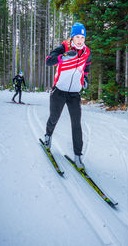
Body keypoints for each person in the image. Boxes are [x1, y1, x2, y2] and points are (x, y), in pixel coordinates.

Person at [44, 22, 92, 170]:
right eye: (77, 36)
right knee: (54, 117)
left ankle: (78, 155)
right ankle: (48, 136)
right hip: (59, 91)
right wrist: (63, 57)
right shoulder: (63, 48)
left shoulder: (86, 52)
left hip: (74, 94)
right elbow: (48, 61)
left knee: (76, 124)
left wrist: (84, 78)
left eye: (82, 37)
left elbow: (86, 66)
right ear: (72, 37)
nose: (79, 40)